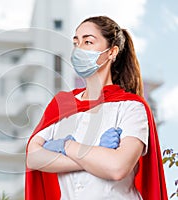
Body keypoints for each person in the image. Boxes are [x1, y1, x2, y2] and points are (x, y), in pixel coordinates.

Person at [25, 16, 168, 200]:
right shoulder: (63, 104)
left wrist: (65, 146)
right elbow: (33, 158)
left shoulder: (132, 107)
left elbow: (117, 168)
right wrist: (99, 156)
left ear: (112, 52)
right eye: (76, 42)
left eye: (88, 42)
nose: (79, 49)